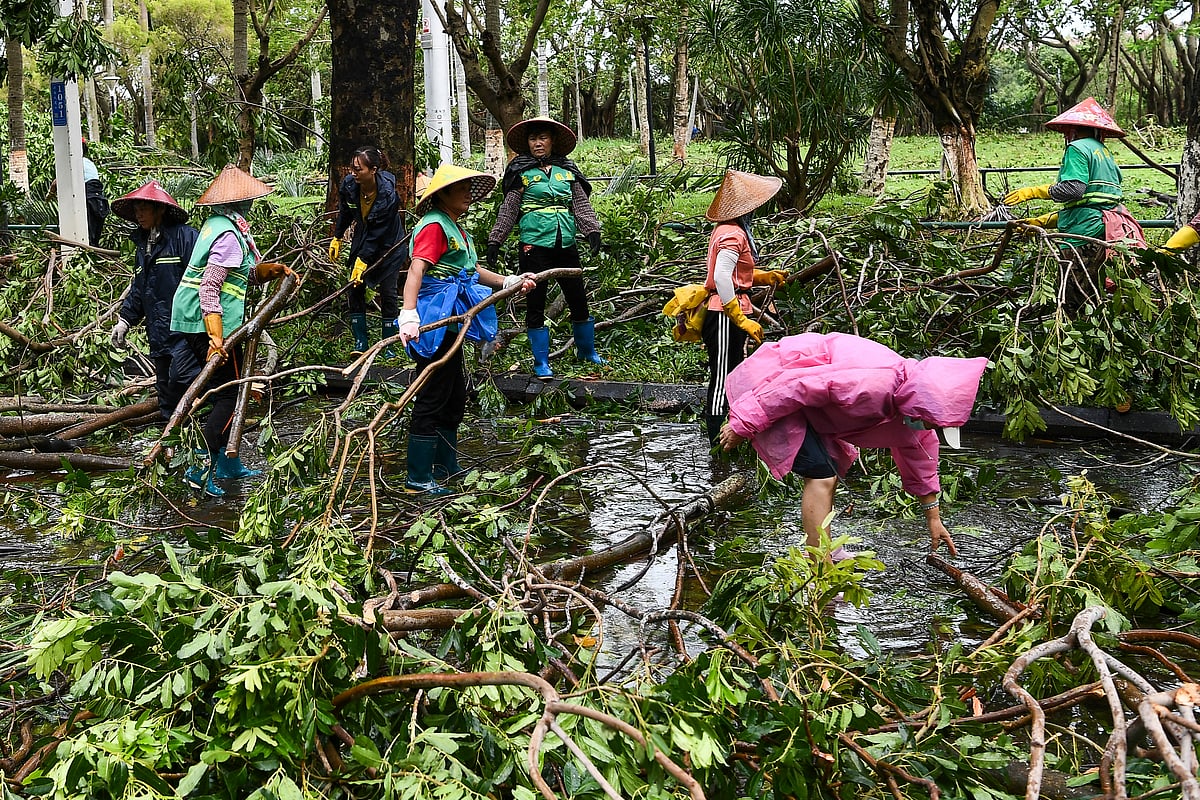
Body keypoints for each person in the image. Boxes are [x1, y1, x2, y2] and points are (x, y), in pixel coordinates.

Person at [717, 332, 989, 557]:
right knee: (821, 473)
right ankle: (819, 564)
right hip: (771, 383)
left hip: (808, 406)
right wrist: (743, 423)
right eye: (932, 423)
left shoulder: (911, 406)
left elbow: (920, 456)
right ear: (923, 406)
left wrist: (933, 517)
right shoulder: (872, 384)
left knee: (830, 469)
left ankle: (827, 550)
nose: (930, 428)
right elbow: (796, 385)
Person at [398, 163, 535, 495]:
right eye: (461, 189)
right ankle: (418, 478)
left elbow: (471, 271)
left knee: (455, 394)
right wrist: (408, 313)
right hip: (435, 317)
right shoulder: (434, 227)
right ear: (443, 194)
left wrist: (508, 281)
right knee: (432, 394)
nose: (467, 196)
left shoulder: (455, 228)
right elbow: (416, 270)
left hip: (455, 316)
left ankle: (447, 466)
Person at [168, 166, 290, 497]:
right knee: (231, 396)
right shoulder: (228, 236)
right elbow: (210, 287)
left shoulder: (218, 226)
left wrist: (267, 271)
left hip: (195, 318)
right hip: (207, 322)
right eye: (249, 200)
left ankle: (225, 463)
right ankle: (200, 468)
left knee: (228, 393)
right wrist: (216, 338)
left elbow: (241, 275)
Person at [486, 116, 606, 379]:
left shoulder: (567, 171)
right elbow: (509, 210)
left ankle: (587, 351)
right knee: (535, 301)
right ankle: (541, 361)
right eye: (532, 139)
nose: (537, 143)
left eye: (542, 138)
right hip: (534, 243)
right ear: (527, 143)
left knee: (577, 296)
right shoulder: (521, 172)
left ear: (552, 141)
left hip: (566, 241)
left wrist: (592, 230)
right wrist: (496, 239)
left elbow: (580, 204)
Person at [701, 169, 790, 444]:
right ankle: (716, 440)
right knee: (722, 376)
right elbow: (720, 277)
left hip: (732, 307)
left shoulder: (730, 230)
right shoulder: (733, 234)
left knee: (735, 371)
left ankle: (734, 431)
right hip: (723, 313)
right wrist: (738, 317)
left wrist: (763, 276)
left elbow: (735, 270)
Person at [1002, 97, 1145, 252]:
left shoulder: (1077, 148)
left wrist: (1033, 192)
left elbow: (1074, 190)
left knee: (1077, 275)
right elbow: (1090, 206)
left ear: (1072, 130)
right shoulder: (1105, 152)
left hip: (1084, 235)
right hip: (1113, 228)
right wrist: (1041, 222)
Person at [108, 180, 200, 420]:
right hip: (158, 332)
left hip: (186, 330)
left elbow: (203, 280)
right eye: (136, 210)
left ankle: (203, 428)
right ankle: (172, 443)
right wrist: (125, 321)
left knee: (182, 377)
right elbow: (140, 288)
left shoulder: (186, 238)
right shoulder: (143, 244)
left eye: (144, 209)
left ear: (160, 209)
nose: (139, 215)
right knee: (165, 391)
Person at [329, 146, 407, 357]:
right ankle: (360, 341)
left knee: (388, 292)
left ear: (373, 170)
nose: (353, 173)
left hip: (389, 244)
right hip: (364, 238)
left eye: (358, 169)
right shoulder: (350, 185)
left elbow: (378, 233)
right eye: (352, 168)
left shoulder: (388, 195)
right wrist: (337, 236)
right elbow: (346, 212)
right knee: (355, 286)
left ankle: (388, 344)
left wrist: (363, 260)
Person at [81, 138, 110, 247]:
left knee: (88, 232)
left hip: (89, 198)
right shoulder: (89, 163)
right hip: (98, 200)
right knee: (94, 235)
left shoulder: (75, 163)